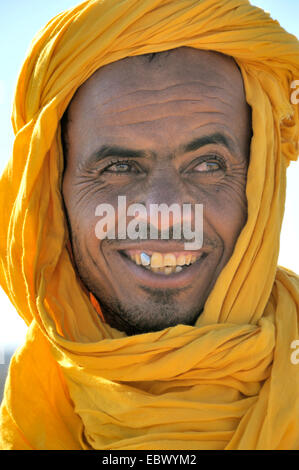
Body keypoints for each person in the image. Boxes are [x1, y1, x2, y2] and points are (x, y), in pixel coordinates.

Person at [0, 0, 298, 450]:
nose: (164, 211)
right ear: (50, 190)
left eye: (208, 164)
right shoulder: (32, 405)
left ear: (262, 181)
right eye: (119, 166)